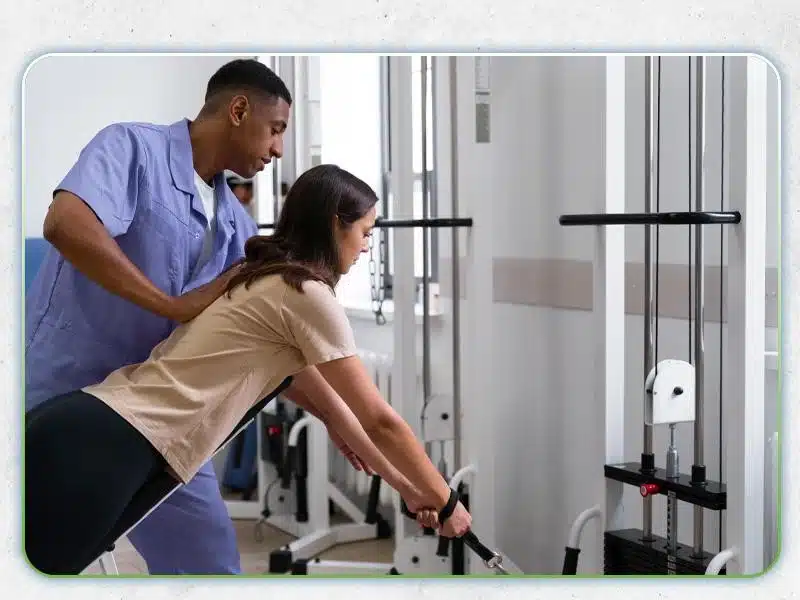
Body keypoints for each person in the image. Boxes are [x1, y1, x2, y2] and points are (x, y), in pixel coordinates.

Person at [25, 164, 473, 576]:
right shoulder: (307, 296)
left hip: (96, 431)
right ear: (336, 223)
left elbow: (339, 411)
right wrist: (445, 498)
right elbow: (380, 421)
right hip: (111, 442)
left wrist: (408, 489)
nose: (367, 245)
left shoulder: (267, 278)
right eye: (365, 230)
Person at [24, 59, 294, 575]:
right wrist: (170, 306)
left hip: (157, 420)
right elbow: (65, 222)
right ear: (239, 110)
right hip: (67, 401)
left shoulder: (236, 222)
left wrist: (343, 423)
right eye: (276, 129)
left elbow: (273, 342)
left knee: (211, 566)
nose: (278, 149)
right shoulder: (132, 147)